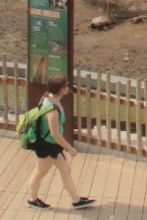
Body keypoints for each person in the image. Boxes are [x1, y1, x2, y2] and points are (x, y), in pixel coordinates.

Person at [26, 77, 95, 211]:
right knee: (39, 173)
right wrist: (70, 149)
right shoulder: (52, 109)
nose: (69, 87)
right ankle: (32, 200)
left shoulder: (50, 97)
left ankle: (77, 200)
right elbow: (55, 134)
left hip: (53, 147)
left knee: (65, 170)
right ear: (61, 90)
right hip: (47, 147)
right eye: (67, 85)